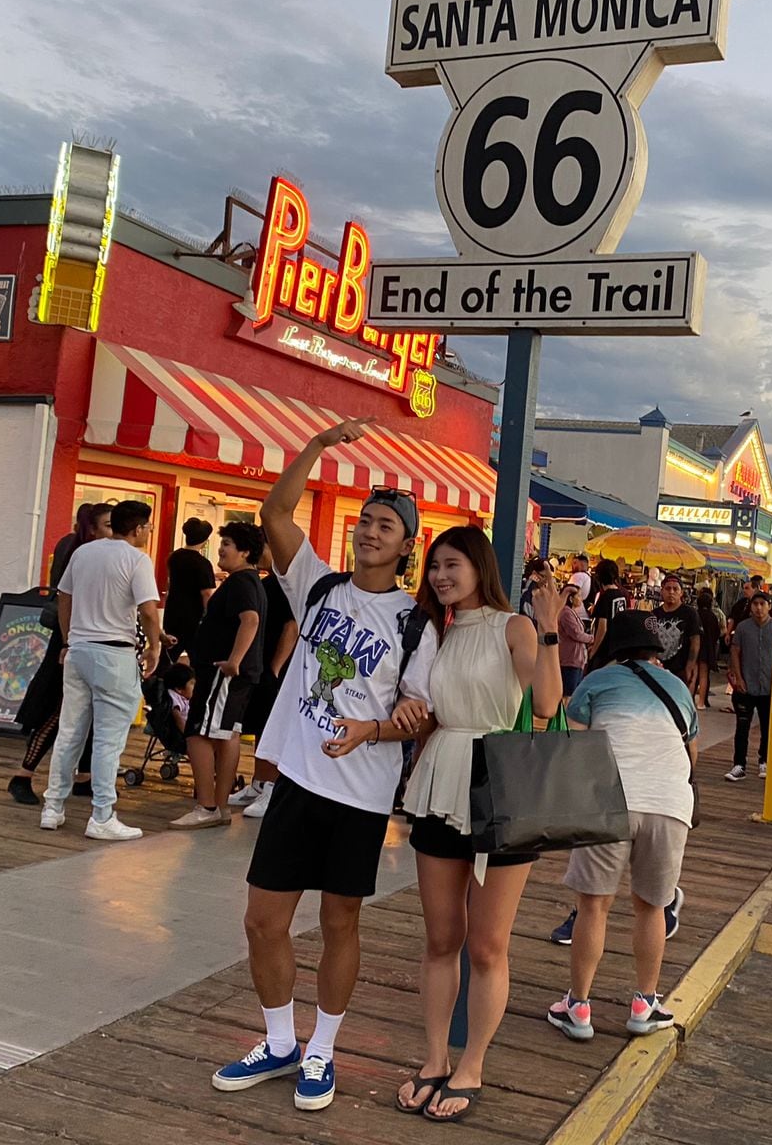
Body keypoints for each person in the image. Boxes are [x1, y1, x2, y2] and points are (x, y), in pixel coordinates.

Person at [211, 420, 439, 1115]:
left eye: (384, 526)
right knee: (262, 920)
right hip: (299, 784)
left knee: (341, 921)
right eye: (365, 521)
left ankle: (322, 1049)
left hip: (363, 796)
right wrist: (317, 445)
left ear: (407, 545)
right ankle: (279, 1040)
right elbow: (273, 513)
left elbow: (421, 709)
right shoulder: (318, 584)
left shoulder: (415, 622)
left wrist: (395, 722)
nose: (369, 532)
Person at [392, 528, 561, 1123]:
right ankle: (435, 1058)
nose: (440, 576)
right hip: (439, 780)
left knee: (488, 945)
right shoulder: (432, 630)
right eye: (434, 566)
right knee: (441, 939)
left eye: (452, 564)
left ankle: (473, 1065)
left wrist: (547, 627)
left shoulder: (511, 625)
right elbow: (423, 704)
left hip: (501, 784)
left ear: (479, 566)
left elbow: (544, 704)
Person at [548, 612, 697, 1044]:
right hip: (669, 803)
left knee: (593, 907)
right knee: (652, 907)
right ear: (656, 650)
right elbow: (691, 753)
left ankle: (577, 1007)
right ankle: (644, 1004)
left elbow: (574, 746)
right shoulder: (677, 687)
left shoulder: (596, 682)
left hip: (609, 802)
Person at [39, 499, 163, 841]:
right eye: (148, 527)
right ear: (137, 529)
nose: (148, 533)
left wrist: (67, 638)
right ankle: (102, 814)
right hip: (115, 653)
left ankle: (53, 806)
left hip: (79, 650)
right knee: (108, 741)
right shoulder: (137, 559)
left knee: (70, 732)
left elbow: (64, 595)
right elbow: (149, 611)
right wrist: (155, 646)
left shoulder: (84, 553)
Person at [9, 501, 112, 804]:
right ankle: (22, 775)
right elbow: (69, 597)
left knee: (90, 709)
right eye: (107, 525)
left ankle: (84, 776)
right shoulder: (82, 554)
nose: (113, 532)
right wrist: (68, 642)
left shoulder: (82, 549)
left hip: (79, 639)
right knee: (60, 710)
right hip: (74, 640)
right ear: (92, 527)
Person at [171, 521, 269, 830]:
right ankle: (220, 806)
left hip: (223, 673)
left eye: (227, 543)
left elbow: (249, 621)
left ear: (245, 551)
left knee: (198, 733)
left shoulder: (242, 582)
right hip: (230, 673)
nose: (222, 549)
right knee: (228, 734)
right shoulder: (248, 581)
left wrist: (233, 661)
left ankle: (208, 804)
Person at [230, 563, 300, 819]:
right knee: (260, 725)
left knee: (273, 727)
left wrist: (275, 668)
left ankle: (272, 787)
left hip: (276, 667)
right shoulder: (266, 582)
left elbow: (292, 626)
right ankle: (258, 783)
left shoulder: (287, 584)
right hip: (260, 664)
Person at [726, 590, 772, 781]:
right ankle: (739, 764)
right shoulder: (742, 628)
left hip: (769, 687)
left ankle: (764, 760)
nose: (758, 608)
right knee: (742, 726)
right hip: (746, 685)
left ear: (769, 606)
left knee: (767, 727)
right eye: (755, 604)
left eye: (762, 604)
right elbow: (735, 652)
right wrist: (738, 678)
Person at [164, 517, 217, 662]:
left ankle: (160, 681)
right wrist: (210, 618)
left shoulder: (175, 557)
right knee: (198, 658)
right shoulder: (203, 563)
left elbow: (180, 579)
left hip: (172, 613)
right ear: (205, 541)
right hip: (193, 618)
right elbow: (206, 593)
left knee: (169, 655)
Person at [646, 575, 700, 688]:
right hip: (657, 669)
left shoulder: (690, 613)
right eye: (668, 588)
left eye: (675, 589)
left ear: (681, 593)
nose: (671, 592)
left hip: (679, 670)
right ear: (662, 591)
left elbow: (695, 642)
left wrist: (690, 667)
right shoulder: (654, 614)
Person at [586, 559, 629, 671]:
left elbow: (602, 628)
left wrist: (593, 651)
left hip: (604, 652)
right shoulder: (622, 595)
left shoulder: (605, 597)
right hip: (616, 649)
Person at [557, 583, 594, 701]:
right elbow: (576, 634)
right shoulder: (566, 613)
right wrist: (592, 638)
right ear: (571, 598)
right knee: (568, 695)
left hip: (576, 659)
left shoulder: (571, 612)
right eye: (578, 596)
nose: (581, 599)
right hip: (570, 660)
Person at [693, 587, 722, 710]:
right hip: (707, 648)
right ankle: (701, 703)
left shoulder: (695, 614)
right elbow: (717, 633)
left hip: (694, 648)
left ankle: (690, 699)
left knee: (693, 675)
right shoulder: (713, 616)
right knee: (704, 676)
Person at [164, 662, 195, 740]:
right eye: (192, 683)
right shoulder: (174, 697)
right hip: (180, 735)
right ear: (179, 689)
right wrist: (188, 736)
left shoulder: (183, 698)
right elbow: (178, 717)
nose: (195, 687)